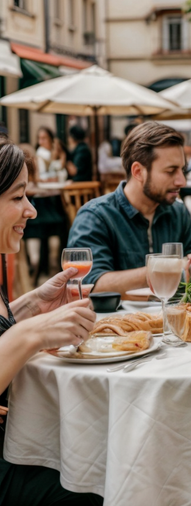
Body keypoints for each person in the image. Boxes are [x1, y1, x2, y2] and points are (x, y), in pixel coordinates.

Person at [0, 135, 101, 505]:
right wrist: (31, 333)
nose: (32, 210)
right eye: (17, 197)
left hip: (20, 439)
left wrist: (32, 304)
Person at [67, 121, 191, 295]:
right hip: (118, 323)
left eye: (182, 170)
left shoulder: (177, 211)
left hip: (173, 320)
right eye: (170, 171)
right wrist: (168, 267)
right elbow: (89, 285)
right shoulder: (96, 216)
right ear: (138, 172)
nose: (181, 181)